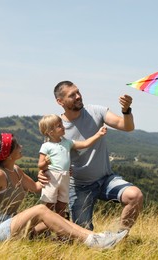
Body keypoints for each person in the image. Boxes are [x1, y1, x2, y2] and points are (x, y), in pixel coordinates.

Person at [0, 132, 128, 249]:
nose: (21, 147)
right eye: (17, 146)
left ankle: (97, 237)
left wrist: (56, 173)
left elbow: (36, 187)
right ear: (8, 154)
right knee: (41, 210)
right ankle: (94, 242)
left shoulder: (15, 170)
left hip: (12, 225)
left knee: (59, 216)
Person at [39, 80, 144, 231]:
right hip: (79, 186)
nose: (78, 96)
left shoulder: (96, 111)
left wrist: (126, 110)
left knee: (135, 196)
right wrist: (41, 172)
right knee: (82, 233)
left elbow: (127, 127)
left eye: (78, 92)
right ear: (60, 101)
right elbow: (48, 157)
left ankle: (119, 238)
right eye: (72, 95)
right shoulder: (57, 127)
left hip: (106, 179)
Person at [38, 114, 107, 218]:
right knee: (49, 205)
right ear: (50, 132)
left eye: (61, 124)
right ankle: (44, 228)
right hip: (51, 177)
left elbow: (85, 144)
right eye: (59, 126)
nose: (63, 127)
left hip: (65, 177)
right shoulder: (46, 146)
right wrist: (46, 163)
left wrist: (98, 134)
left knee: (61, 205)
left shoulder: (67, 143)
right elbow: (40, 165)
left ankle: (60, 231)